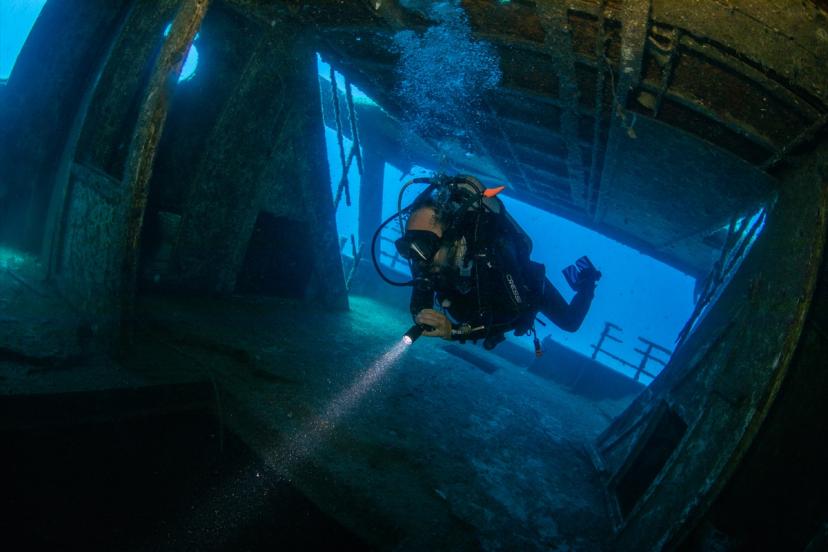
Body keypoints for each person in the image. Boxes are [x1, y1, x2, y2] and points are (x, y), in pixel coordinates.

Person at [393, 174, 601, 352]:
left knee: (570, 323)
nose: (417, 256)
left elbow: (513, 313)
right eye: (409, 244)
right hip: (474, 299)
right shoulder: (426, 258)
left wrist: (454, 332)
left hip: (524, 288)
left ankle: (587, 279)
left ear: (452, 239)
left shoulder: (493, 251)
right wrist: (422, 319)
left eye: (425, 244)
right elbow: (421, 300)